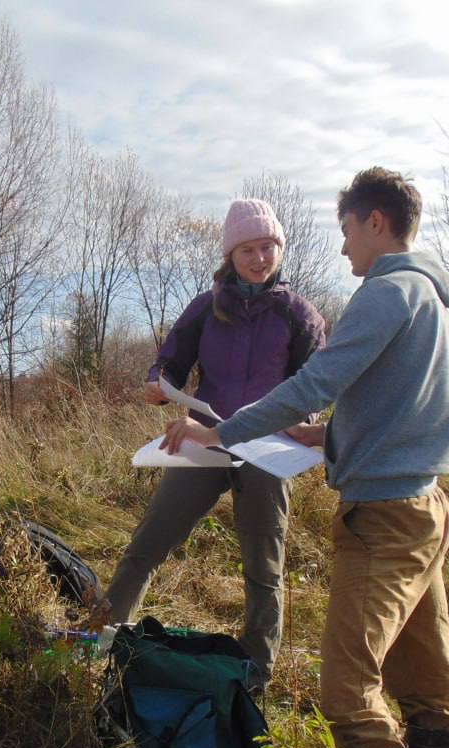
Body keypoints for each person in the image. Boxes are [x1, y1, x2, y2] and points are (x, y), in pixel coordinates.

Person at [163, 167, 449, 748]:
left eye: (344, 232)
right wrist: (327, 438)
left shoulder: (388, 292)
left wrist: (218, 431)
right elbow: (396, 405)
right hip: (426, 507)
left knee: (346, 689)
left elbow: (316, 380)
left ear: (373, 221)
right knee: (432, 685)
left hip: (385, 522)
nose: (341, 251)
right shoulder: (435, 299)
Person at [100, 198, 326, 692]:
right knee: (148, 543)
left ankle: (255, 677)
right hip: (205, 440)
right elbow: (169, 364)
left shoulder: (299, 314)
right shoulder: (207, 307)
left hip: (269, 449)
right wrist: (158, 384)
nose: (260, 257)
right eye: (248, 248)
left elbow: (316, 384)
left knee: (263, 564)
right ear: (231, 253)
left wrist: (303, 422)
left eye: (268, 246)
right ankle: (102, 645)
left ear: (279, 250)